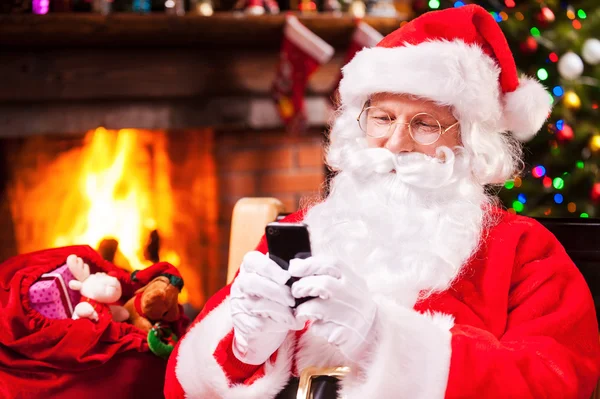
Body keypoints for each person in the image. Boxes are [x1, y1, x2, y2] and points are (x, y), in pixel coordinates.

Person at [164, 5, 600, 398]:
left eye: (425, 124)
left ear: (471, 142)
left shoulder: (523, 250)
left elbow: (556, 380)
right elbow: (181, 382)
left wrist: (385, 340)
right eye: (383, 118)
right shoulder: (305, 228)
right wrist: (242, 348)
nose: (395, 143)